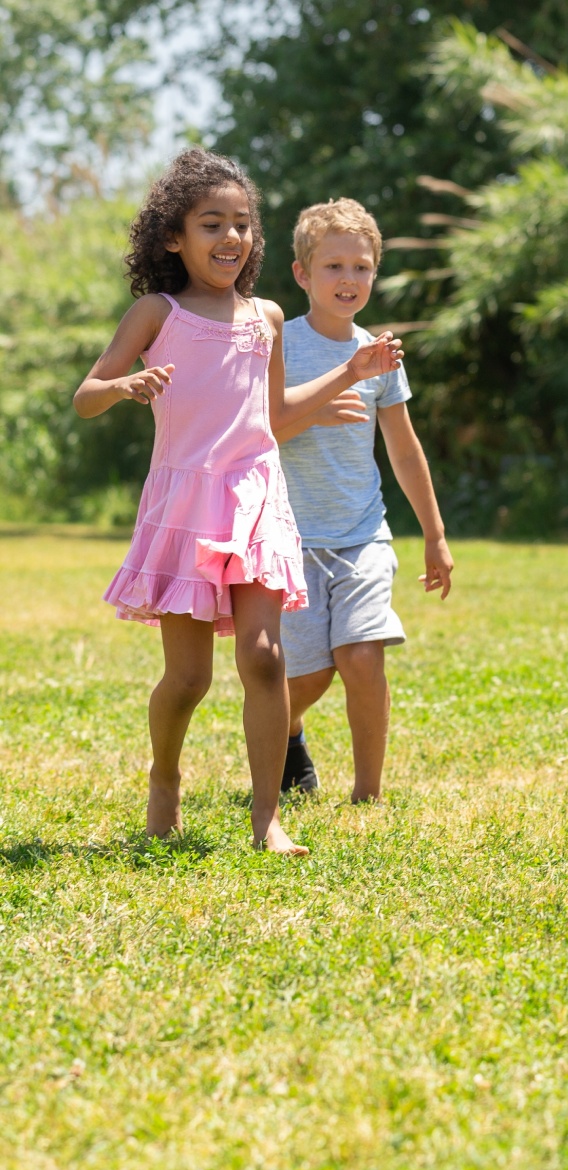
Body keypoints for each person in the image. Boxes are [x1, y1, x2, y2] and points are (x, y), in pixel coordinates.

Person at [76, 149, 403, 855]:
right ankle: (165, 778)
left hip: (256, 498)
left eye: (243, 224)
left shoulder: (267, 317)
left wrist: (352, 370)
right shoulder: (155, 313)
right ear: (174, 236)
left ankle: (267, 820)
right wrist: (123, 388)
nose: (231, 237)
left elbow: (272, 417)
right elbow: (85, 397)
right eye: (211, 224)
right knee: (187, 679)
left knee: (264, 659)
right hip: (186, 506)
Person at [274, 198, 454, 802]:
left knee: (360, 655)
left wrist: (434, 533)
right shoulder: (280, 344)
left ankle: (367, 794)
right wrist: (318, 409)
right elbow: (260, 429)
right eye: (333, 267)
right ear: (303, 274)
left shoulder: (381, 356)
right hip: (289, 538)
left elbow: (404, 450)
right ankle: (284, 731)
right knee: (309, 673)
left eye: (361, 267)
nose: (348, 279)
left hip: (361, 532)